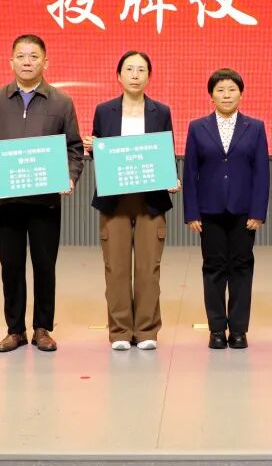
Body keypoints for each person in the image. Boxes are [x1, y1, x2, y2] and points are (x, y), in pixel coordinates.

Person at [0, 34, 84, 353]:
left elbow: (74, 148)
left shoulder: (61, 102)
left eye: (34, 56)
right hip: (6, 201)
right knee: (11, 267)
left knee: (44, 266)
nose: (27, 62)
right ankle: (15, 330)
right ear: (11, 62)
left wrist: (70, 176)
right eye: (20, 56)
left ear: (46, 62)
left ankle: (42, 328)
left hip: (45, 201)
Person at [85, 51, 179, 352]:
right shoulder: (104, 111)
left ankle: (147, 330)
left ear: (149, 76)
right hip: (115, 200)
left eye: (141, 70)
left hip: (151, 200)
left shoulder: (161, 111)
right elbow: (100, 152)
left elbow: (165, 151)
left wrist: (171, 178)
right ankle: (120, 332)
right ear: (119, 75)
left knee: (149, 268)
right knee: (116, 268)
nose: (135, 75)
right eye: (129, 69)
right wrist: (93, 147)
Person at [183, 69, 270, 350]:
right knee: (213, 268)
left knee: (242, 268)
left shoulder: (255, 127)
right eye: (220, 90)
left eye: (232, 90)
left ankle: (239, 330)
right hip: (209, 212)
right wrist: (191, 213)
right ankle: (217, 330)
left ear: (241, 94)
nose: (226, 95)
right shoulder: (197, 127)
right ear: (211, 95)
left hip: (244, 212)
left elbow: (261, 173)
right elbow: (190, 172)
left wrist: (258, 212)